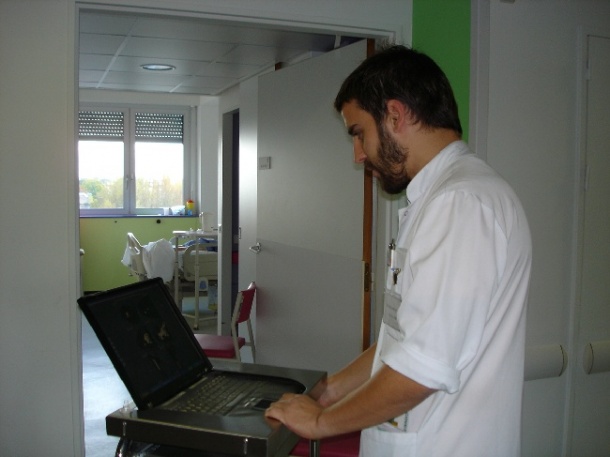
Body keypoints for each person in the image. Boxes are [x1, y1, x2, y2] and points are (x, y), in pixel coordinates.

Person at [264, 45, 532, 457]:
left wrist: (319, 422)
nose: (358, 156)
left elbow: (421, 368)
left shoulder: (461, 204)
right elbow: (405, 337)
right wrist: (332, 389)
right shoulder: (442, 198)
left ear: (395, 114)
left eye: (358, 134)